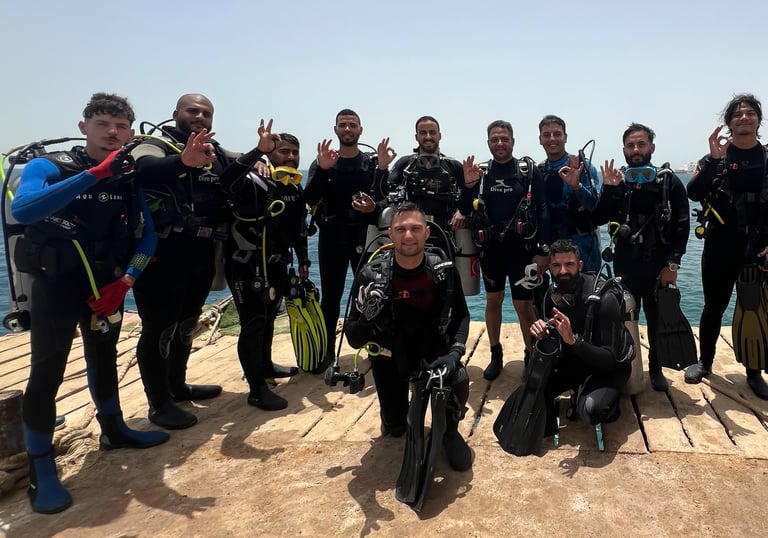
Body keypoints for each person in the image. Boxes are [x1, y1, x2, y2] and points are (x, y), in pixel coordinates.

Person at [11, 93, 168, 514]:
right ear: (85, 127)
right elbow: (23, 210)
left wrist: (127, 281)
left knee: (104, 355)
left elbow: (147, 236)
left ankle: (114, 430)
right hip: (55, 284)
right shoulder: (51, 166)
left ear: (131, 133)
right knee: (48, 370)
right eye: (103, 123)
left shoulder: (129, 177)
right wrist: (94, 174)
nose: (112, 131)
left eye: (120, 125)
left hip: (105, 287)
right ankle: (40, 467)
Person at [131, 94, 269, 428]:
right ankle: (158, 404)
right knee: (159, 327)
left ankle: (177, 386)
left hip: (202, 251)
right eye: (193, 111)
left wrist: (259, 155)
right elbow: (144, 168)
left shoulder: (215, 151)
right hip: (162, 253)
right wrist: (183, 162)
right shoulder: (155, 145)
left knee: (187, 322)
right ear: (176, 113)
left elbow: (239, 160)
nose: (200, 116)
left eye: (207, 113)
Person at [344, 202, 472, 472]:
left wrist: (454, 354)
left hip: (433, 353)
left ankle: (449, 427)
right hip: (391, 357)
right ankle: (393, 415)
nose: (408, 236)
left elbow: (461, 316)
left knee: (459, 377)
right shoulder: (370, 275)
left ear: (427, 232)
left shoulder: (442, 270)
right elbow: (354, 339)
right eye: (401, 229)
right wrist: (368, 315)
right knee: (396, 429)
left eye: (415, 228)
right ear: (390, 233)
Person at [595, 123, 690, 391]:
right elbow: (598, 217)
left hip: (658, 266)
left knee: (657, 317)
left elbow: (682, 224)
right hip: (626, 265)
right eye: (630, 145)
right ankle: (628, 366)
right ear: (624, 149)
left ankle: (656, 367)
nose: (636, 150)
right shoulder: (620, 182)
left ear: (652, 148)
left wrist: (672, 265)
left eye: (641, 144)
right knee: (623, 318)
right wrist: (609, 190)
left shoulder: (667, 181)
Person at [685, 94, 768, 398]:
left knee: (754, 308)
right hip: (720, 244)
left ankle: (754, 370)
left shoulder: (766, 157)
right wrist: (713, 161)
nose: (744, 118)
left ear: (758, 120)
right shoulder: (715, 157)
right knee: (714, 306)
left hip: (757, 248)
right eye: (737, 114)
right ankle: (704, 362)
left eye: (749, 114)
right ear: (728, 122)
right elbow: (693, 193)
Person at [304, 109, 396, 370]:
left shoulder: (369, 163)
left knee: (371, 292)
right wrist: (322, 170)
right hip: (332, 236)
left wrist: (381, 169)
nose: (347, 129)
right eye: (342, 125)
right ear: (335, 130)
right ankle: (327, 353)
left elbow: (383, 199)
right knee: (331, 297)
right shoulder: (324, 162)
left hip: (363, 236)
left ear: (360, 130)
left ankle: (373, 345)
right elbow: (309, 199)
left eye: (352, 125)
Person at [224, 129, 309, 410]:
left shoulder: (294, 188)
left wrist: (304, 261)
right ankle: (256, 389)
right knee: (253, 322)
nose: (291, 157)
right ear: (271, 153)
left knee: (270, 316)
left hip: (277, 262)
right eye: (284, 151)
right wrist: (255, 154)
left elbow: (298, 230)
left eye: (295, 152)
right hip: (246, 264)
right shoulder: (252, 179)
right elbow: (225, 182)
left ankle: (266, 365)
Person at [460, 120, 551, 381]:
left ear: (513, 141)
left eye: (504, 139)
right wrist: (468, 187)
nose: (499, 143)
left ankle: (531, 353)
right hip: (491, 252)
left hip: (522, 252)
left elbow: (543, 210)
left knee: (524, 305)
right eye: (494, 139)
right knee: (493, 301)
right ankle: (495, 353)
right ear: (488, 142)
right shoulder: (482, 174)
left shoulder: (528, 172)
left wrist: (543, 250)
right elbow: (465, 209)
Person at [530, 239, 632, 426]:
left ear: (580, 265)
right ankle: (579, 388)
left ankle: (609, 401)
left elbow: (609, 360)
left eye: (569, 264)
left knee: (592, 411)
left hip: (608, 368)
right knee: (533, 388)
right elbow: (555, 345)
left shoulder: (603, 299)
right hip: (577, 361)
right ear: (549, 267)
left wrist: (573, 341)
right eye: (556, 265)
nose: (562, 271)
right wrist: (540, 335)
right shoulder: (551, 296)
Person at [537, 115, 602, 272]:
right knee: (559, 296)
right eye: (546, 135)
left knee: (588, 294)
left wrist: (577, 187)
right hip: (554, 249)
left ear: (565, 137)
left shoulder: (582, 168)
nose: (552, 139)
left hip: (584, 248)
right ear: (540, 139)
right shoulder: (539, 171)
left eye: (557, 134)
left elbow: (596, 207)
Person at [386, 116, 466, 239]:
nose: (428, 136)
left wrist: (462, 210)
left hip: (446, 233)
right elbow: (384, 191)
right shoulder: (405, 163)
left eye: (432, 132)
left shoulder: (452, 165)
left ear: (439, 135)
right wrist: (381, 169)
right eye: (423, 133)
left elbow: (472, 190)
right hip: (411, 233)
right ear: (416, 137)